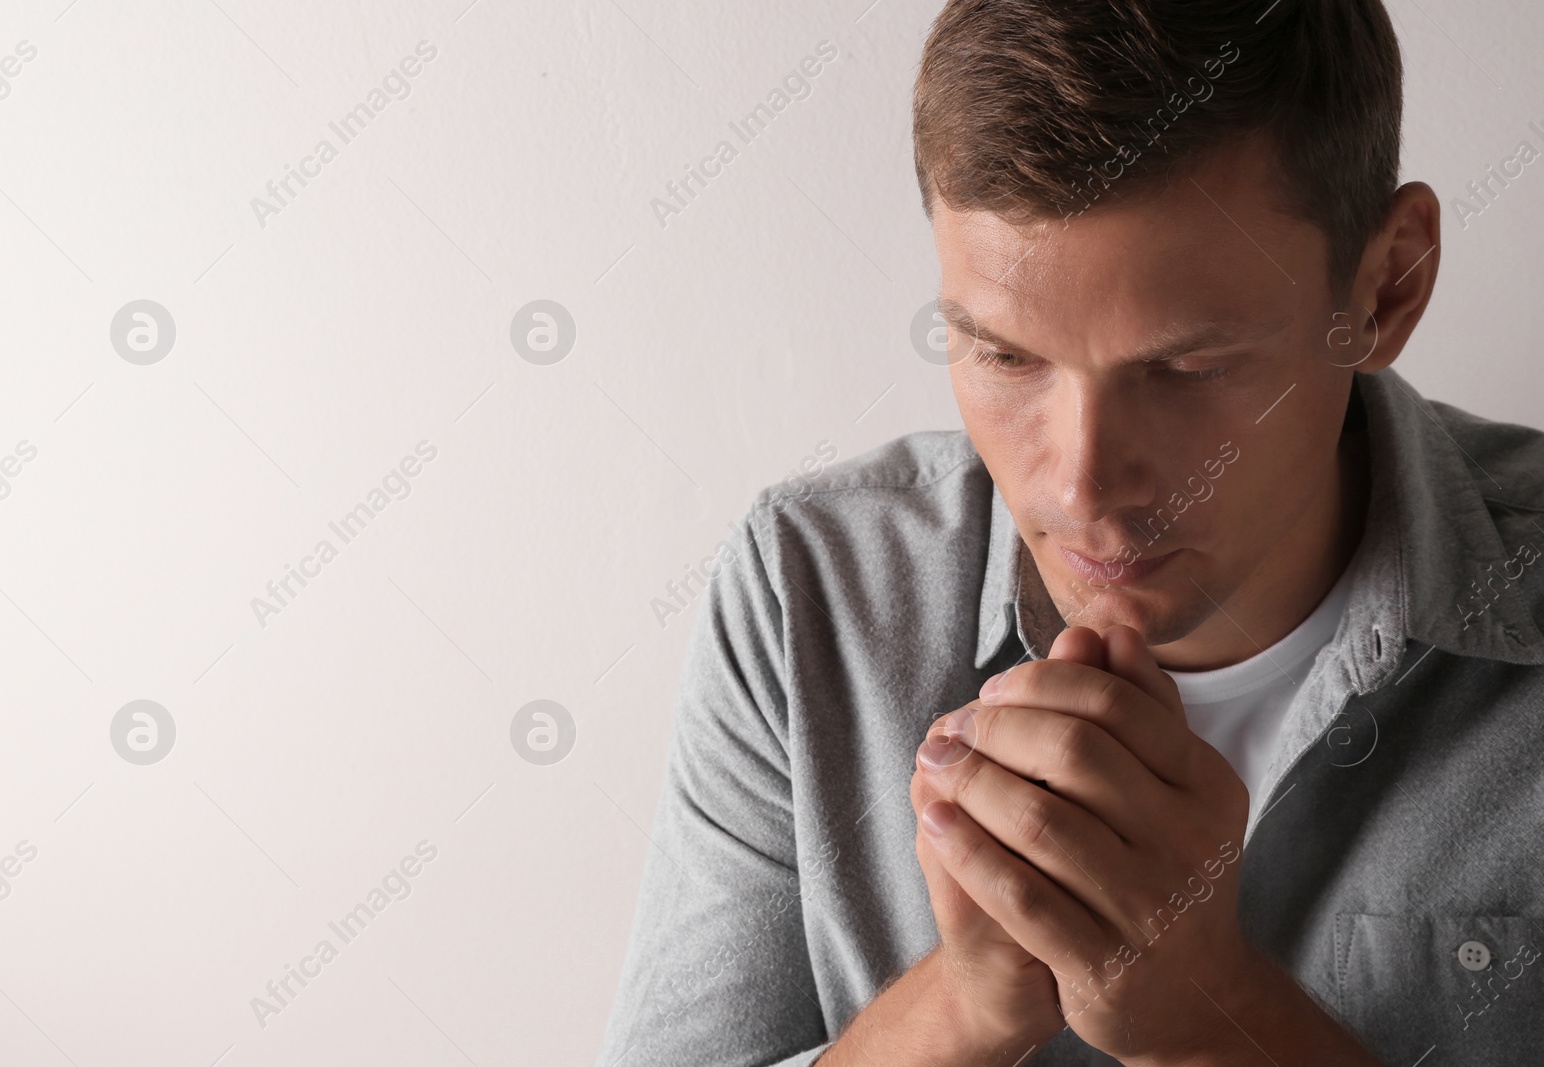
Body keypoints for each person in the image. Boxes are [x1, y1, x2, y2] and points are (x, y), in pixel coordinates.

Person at [596, 1, 1544, 1064]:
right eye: (1004, 357)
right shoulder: (809, 588)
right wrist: (963, 1002)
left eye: (1189, 368)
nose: (1081, 483)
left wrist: (1212, 1016)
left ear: (1387, 285)